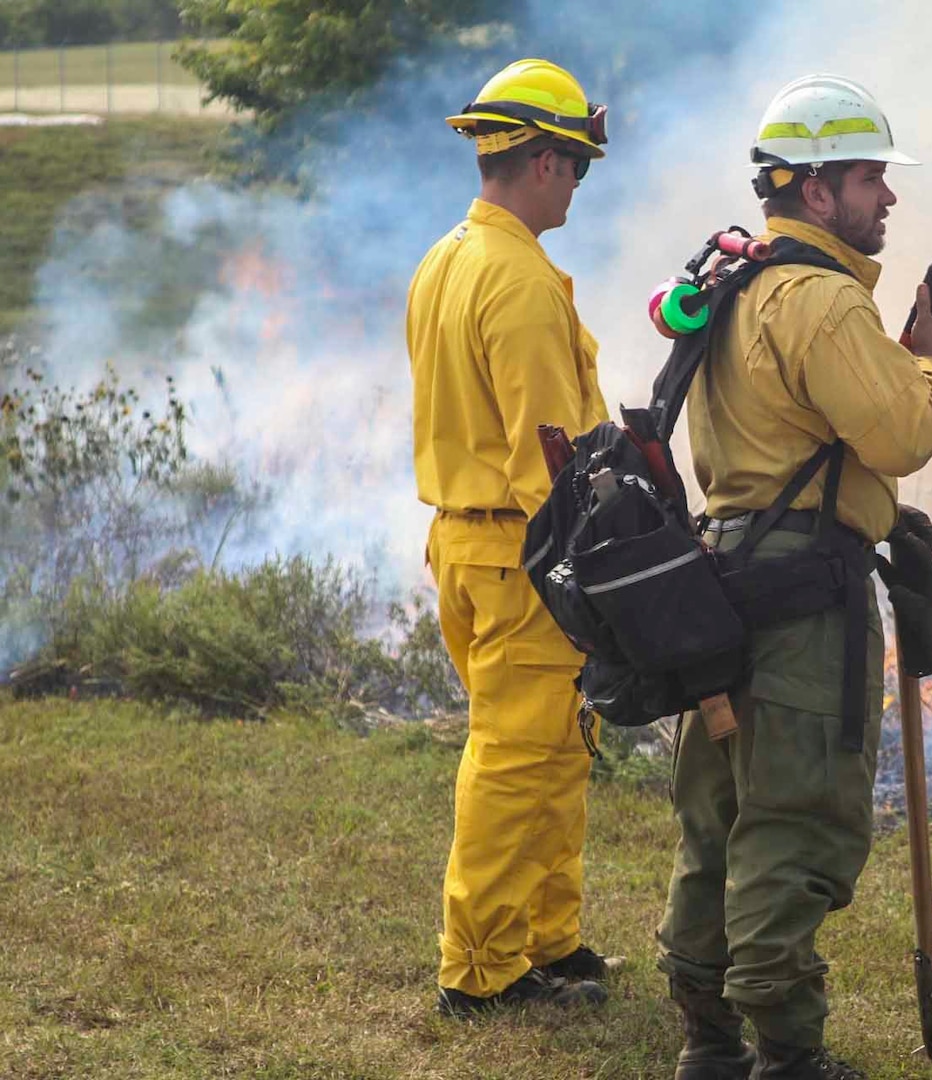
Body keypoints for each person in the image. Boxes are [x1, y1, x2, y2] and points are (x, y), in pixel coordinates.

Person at [655, 74, 932, 1080]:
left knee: (720, 820)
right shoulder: (824, 302)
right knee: (796, 825)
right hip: (804, 608)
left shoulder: (738, 280)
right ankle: (788, 1057)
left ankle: (709, 1042)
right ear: (817, 190)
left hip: (724, 582)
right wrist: (929, 360)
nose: (889, 198)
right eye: (872, 177)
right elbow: (901, 433)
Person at [406, 57, 619, 1018]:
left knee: (553, 748)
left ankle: (546, 938)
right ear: (541, 162)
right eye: (576, 163)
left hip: (464, 543)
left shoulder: (445, 259)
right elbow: (550, 456)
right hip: (524, 553)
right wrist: (606, 560)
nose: (578, 182)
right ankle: (482, 970)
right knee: (517, 755)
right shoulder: (524, 283)